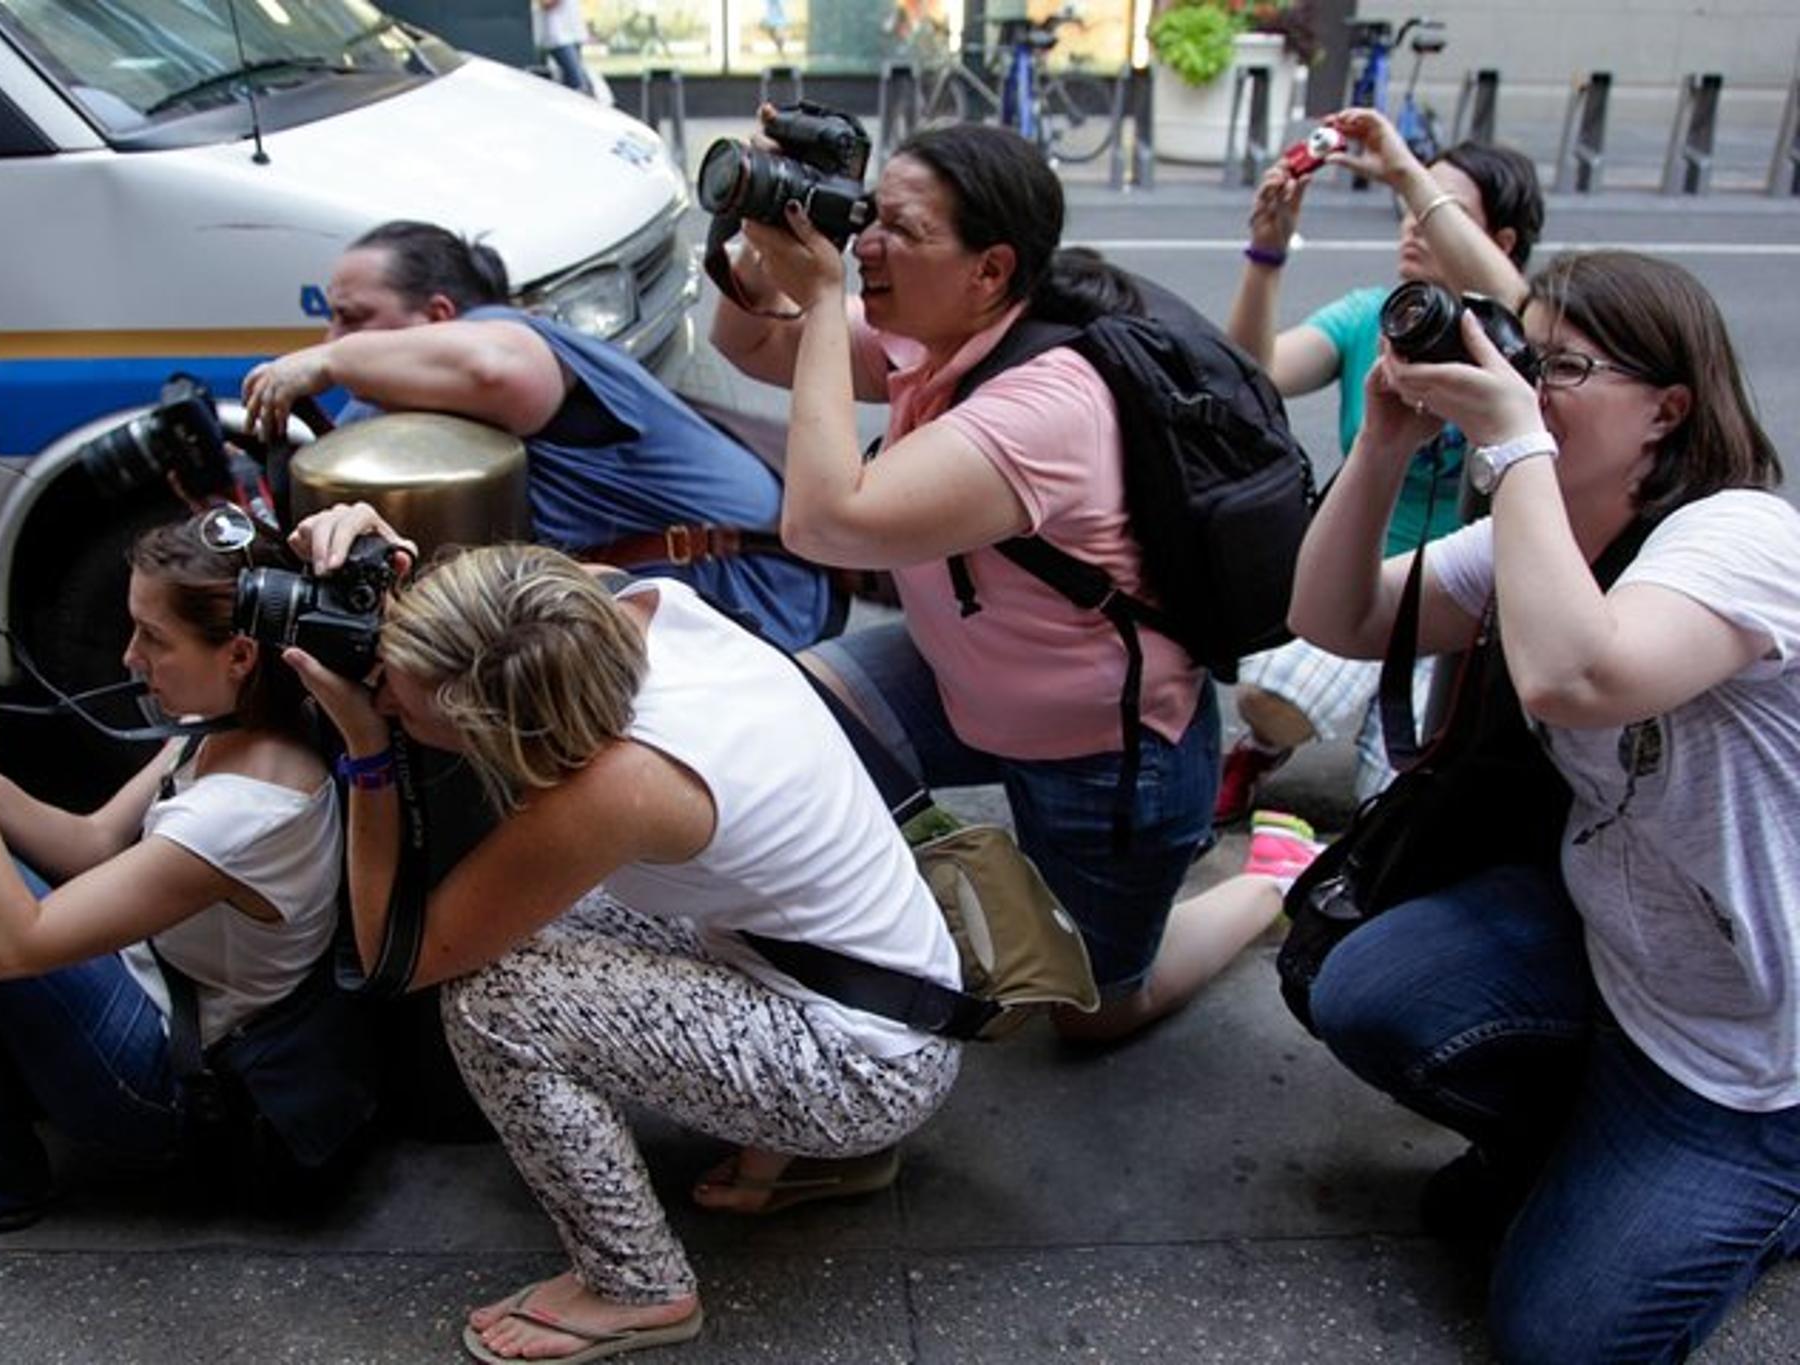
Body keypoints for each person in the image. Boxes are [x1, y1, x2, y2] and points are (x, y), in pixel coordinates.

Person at [284, 505, 962, 1363]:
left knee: (495, 997)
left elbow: (396, 957)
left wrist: (367, 749)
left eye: (402, 700)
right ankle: (799, 1153)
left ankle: (636, 1287)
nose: (378, 689)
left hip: (864, 1066)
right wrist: (392, 570)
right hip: (889, 988)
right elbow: (501, 601)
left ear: (498, 730)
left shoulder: (623, 785)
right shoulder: (618, 608)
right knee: (525, 919)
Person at [1292, 249, 1797, 1362]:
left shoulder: (1739, 538)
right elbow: (1334, 617)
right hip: (1615, 958)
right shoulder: (1541, 529)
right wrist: (1381, 445)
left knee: (1556, 1337)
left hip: (1753, 1059)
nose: (1523, 381)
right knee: (1367, 989)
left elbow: (1578, 677)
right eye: (1523, 352)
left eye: (1558, 365)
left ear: (1666, 409)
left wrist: (1514, 439)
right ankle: (1585, 1145)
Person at [710, 121, 1287, 1044]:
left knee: (1095, 1014)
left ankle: (1270, 881)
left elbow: (825, 520)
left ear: (991, 271)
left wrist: (820, 299)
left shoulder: (1048, 405)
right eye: (867, 215)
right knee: (792, 718)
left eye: (902, 228)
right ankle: (903, 920)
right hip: (956, 677)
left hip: (1102, 753)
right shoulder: (927, 332)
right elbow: (746, 343)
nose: (866, 245)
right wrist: (759, 225)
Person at [0, 509, 349, 1253]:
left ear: (240, 653)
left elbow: (7, 947)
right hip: (148, 983)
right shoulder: (232, 722)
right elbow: (92, 843)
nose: (130, 654)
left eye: (154, 637)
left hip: (166, 1085)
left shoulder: (245, 812)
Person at [242, 220, 837, 652]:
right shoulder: (403, 391)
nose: (333, 340)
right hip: (664, 610)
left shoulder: (503, 337)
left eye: (353, 318)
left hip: (752, 602)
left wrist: (333, 363)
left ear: (441, 317)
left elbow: (500, 371)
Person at [1216, 108, 1545, 821]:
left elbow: (1523, 304)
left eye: (1434, 208)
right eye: (1408, 206)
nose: (1412, 224)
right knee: (1273, 691)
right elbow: (1253, 374)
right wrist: (1266, 253)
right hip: (1365, 588)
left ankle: (1373, 727)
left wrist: (1401, 163)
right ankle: (1266, 743)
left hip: (1467, 608)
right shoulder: (1379, 316)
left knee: (1393, 808)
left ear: (1502, 241)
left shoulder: (1530, 346)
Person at [533, 0, 593, 95]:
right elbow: (545, 4)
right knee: (578, 83)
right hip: (558, 36)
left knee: (570, 83)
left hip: (574, 33)